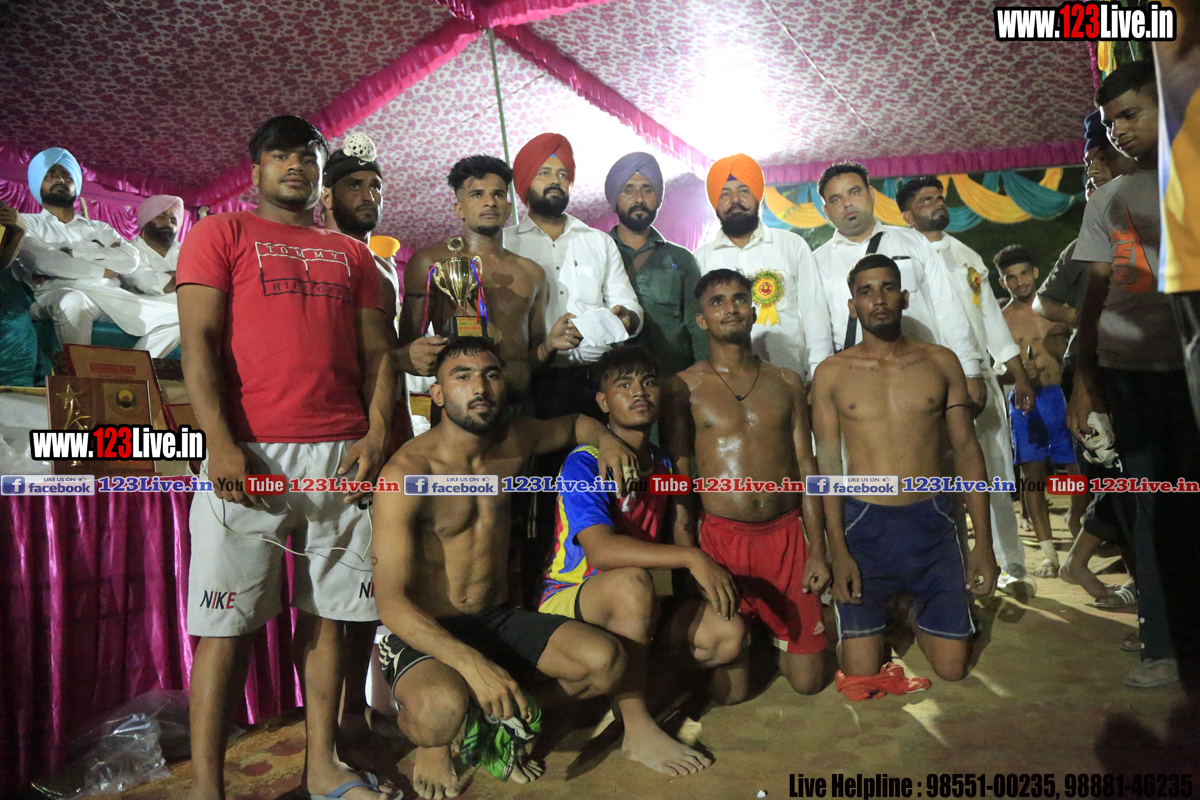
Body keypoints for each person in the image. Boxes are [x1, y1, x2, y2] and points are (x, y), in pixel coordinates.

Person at [177, 115, 397, 800]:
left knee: (330, 615)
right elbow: (197, 345)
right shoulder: (220, 234)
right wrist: (219, 442)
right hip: (249, 454)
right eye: (279, 155)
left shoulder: (354, 256)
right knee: (225, 627)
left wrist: (375, 438)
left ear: (321, 173)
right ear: (256, 170)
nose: (295, 165)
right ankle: (207, 789)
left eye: (307, 155)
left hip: (341, 455)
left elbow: (379, 356)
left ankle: (321, 764)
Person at [371, 337, 643, 799]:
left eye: (491, 375)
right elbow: (391, 602)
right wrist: (472, 665)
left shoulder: (513, 440)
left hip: (496, 617)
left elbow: (576, 423)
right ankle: (435, 741)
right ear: (437, 394)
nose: (480, 387)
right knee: (438, 713)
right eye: (462, 377)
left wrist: (608, 442)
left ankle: (495, 715)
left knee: (606, 663)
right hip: (428, 628)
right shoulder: (408, 473)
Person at [813, 162, 1036, 592]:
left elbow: (948, 308)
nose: (848, 204)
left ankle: (955, 575)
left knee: (944, 475)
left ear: (871, 194)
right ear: (826, 210)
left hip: (926, 386)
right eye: (836, 199)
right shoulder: (818, 261)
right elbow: (820, 329)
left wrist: (970, 370)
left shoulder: (911, 241)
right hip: (859, 394)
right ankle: (873, 581)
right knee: (862, 481)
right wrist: (821, 386)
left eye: (854, 192)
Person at [536, 346, 745, 775]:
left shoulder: (662, 463)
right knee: (632, 581)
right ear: (603, 402)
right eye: (624, 385)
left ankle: (632, 683)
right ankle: (636, 730)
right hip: (571, 598)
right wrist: (691, 558)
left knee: (726, 633)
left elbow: (679, 527)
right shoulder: (583, 462)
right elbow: (601, 551)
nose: (639, 392)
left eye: (648, 382)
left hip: (635, 600)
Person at [1066, 60, 1200, 689]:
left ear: (1166, 107)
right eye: (1110, 120)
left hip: (1190, 373)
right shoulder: (1109, 198)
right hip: (1131, 377)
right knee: (1153, 510)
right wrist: (1084, 379)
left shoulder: (1193, 179)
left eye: (1130, 114)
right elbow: (1094, 294)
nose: (1118, 130)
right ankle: (1161, 645)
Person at [811, 254, 998, 686]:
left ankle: (912, 611)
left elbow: (967, 450)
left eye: (888, 287)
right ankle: (886, 610)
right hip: (864, 524)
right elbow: (827, 466)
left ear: (905, 297)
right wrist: (837, 550)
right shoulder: (831, 373)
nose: (878, 299)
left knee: (952, 669)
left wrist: (983, 544)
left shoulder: (941, 361)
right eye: (865, 291)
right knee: (860, 670)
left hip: (931, 519)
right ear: (852, 306)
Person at [661, 269, 831, 703]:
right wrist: (691, 561)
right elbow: (680, 481)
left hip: (786, 538)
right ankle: (728, 635)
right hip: (722, 540)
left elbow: (808, 469)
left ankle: (771, 636)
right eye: (717, 302)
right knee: (730, 694)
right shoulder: (683, 387)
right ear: (702, 320)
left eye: (739, 298)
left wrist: (818, 548)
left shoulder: (787, 382)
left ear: (754, 311)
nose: (730, 308)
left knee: (809, 683)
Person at [897, 176, 1037, 591]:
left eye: (939, 197)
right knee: (936, 477)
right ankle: (948, 567)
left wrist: (1019, 375)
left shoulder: (967, 255)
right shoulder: (900, 257)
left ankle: (1011, 563)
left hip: (980, 382)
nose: (937, 203)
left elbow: (991, 318)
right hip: (925, 385)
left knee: (994, 472)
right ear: (906, 215)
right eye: (926, 200)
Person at [317, 132, 407, 743]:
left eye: (375, 186)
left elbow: (383, 355)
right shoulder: (316, 256)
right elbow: (337, 354)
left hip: (389, 427)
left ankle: (372, 705)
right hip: (342, 433)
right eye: (354, 185)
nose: (369, 195)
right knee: (340, 581)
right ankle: (342, 718)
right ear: (326, 196)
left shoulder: (380, 264)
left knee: (381, 575)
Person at [402, 154, 577, 413]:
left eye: (498, 194)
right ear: (459, 208)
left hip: (518, 408)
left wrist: (550, 346)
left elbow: (533, 360)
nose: (489, 202)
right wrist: (424, 356)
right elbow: (406, 351)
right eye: (477, 194)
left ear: (507, 206)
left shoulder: (532, 274)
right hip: (458, 411)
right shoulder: (429, 262)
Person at [503, 133, 643, 419]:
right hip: (532, 381)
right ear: (526, 182)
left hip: (596, 382)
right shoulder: (505, 244)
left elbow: (630, 308)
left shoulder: (598, 241)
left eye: (562, 174)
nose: (556, 181)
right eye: (544, 173)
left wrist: (626, 319)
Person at [17, 147, 181, 357]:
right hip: (57, 291)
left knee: (182, 317)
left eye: (67, 175)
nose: (60, 179)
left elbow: (130, 259)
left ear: (76, 184)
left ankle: (131, 368)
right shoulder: (27, 222)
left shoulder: (99, 228)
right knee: (73, 300)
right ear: (38, 183)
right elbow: (42, 261)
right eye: (50, 175)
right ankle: (79, 374)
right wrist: (103, 269)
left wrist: (73, 253)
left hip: (109, 295)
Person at [692, 154, 832, 382]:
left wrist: (819, 377)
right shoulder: (700, 259)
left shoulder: (791, 245)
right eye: (725, 194)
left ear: (758, 195)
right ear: (715, 203)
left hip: (791, 379)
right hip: (725, 385)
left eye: (743, 190)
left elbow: (815, 314)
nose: (735, 200)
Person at [995, 245, 1085, 578]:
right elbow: (993, 371)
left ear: (1035, 273)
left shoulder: (1057, 310)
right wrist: (1016, 376)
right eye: (1010, 277)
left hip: (1065, 397)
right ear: (1003, 282)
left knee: (1078, 472)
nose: (1018, 282)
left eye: (1023, 273)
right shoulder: (1001, 321)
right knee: (1033, 476)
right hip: (1026, 402)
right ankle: (1049, 555)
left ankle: (1076, 520)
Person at [605, 153, 707, 375]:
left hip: (676, 380)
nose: (639, 199)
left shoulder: (681, 259)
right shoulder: (597, 254)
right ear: (614, 199)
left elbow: (699, 326)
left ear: (658, 198)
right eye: (628, 190)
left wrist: (703, 377)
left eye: (647, 190)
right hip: (617, 383)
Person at [125, 195, 184, 299]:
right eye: (162, 216)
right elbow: (149, 283)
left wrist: (165, 275)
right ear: (145, 220)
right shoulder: (127, 252)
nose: (168, 224)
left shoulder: (185, 256)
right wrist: (185, 278)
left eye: (173, 221)